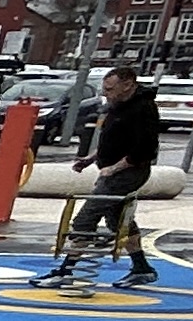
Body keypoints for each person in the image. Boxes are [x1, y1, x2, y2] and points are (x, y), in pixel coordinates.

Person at [46, 66, 161, 284]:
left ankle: (66, 271)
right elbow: (114, 141)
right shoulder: (119, 106)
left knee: (86, 218)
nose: (105, 93)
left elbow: (144, 149)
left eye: (110, 89)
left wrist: (114, 168)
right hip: (115, 170)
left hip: (127, 173)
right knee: (118, 220)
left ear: (127, 85)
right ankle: (142, 267)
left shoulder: (142, 109)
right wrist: (91, 159)